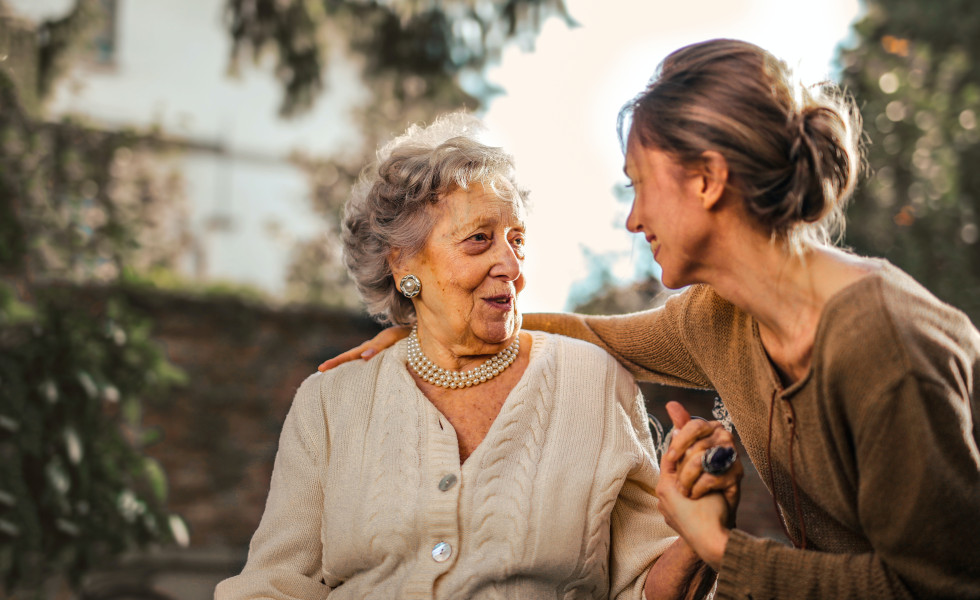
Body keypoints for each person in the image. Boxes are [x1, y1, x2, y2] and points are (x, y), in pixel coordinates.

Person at [319, 40, 980, 599]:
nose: (633, 219)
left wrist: (717, 544)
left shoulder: (882, 344)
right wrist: (433, 324)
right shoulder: (719, 318)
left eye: (639, 184)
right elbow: (588, 334)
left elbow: (938, 585)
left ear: (707, 179)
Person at [216, 113, 732, 600]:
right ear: (403, 264)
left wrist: (697, 536)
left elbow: (646, 587)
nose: (510, 264)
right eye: (479, 240)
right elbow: (274, 584)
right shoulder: (331, 402)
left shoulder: (593, 382)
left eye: (517, 240)